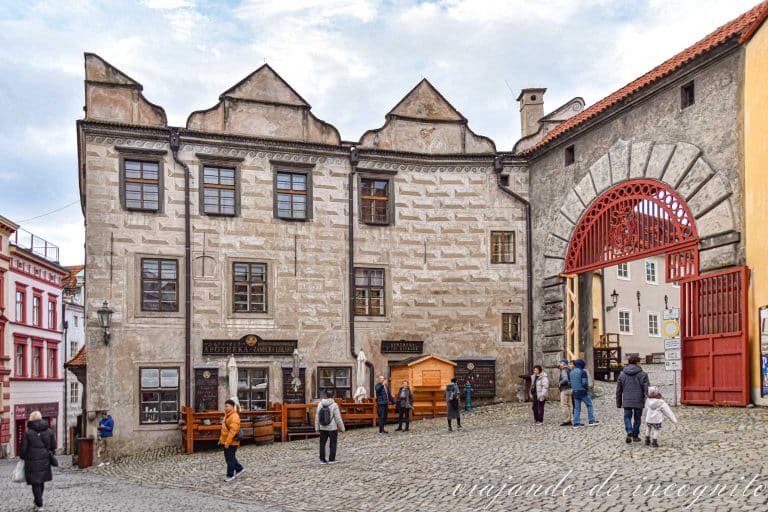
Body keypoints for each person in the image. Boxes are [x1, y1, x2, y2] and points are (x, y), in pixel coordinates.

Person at [20, 410, 56, 511]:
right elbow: (53, 446)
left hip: (31, 461)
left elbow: (23, 450)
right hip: (45, 460)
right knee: (41, 481)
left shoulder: (28, 433)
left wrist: (23, 457)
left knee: (35, 483)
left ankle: (39, 504)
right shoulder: (49, 431)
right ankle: (38, 502)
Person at [616, 355, 650, 444]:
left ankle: (629, 430)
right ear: (637, 363)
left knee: (627, 417)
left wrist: (618, 403)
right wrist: (648, 399)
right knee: (637, 418)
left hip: (627, 400)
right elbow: (647, 389)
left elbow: (619, 390)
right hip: (639, 400)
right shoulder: (643, 374)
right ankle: (635, 436)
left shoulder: (622, 375)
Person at [315, 389, 345, 464]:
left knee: (322, 443)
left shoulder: (320, 404)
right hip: (332, 427)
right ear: (333, 396)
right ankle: (332, 459)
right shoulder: (334, 405)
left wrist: (317, 428)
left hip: (322, 427)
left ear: (325, 395)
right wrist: (342, 428)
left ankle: (322, 460)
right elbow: (338, 418)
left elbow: (317, 417)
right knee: (333, 443)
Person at [219, 399, 244, 482]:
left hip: (231, 442)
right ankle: (239, 468)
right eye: (225, 406)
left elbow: (233, 431)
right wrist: (221, 440)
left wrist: (227, 442)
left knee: (229, 458)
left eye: (227, 406)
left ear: (232, 407)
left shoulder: (234, 416)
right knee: (230, 457)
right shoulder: (228, 415)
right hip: (226, 440)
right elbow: (225, 429)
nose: (225, 408)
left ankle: (230, 475)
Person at [569, 359, 599, 428]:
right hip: (582, 391)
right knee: (589, 405)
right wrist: (587, 389)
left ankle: (576, 423)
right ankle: (591, 420)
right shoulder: (582, 371)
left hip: (575, 391)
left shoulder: (571, 372)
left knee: (577, 408)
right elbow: (584, 382)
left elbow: (569, 382)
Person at [557, 359, 573, 426]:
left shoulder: (564, 370)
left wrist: (559, 383)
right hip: (570, 389)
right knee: (569, 405)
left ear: (563, 363)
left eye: (560, 363)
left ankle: (567, 420)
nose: (559, 364)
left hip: (565, 389)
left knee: (564, 405)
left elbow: (565, 379)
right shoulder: (570, 369)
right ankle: (570, 419)